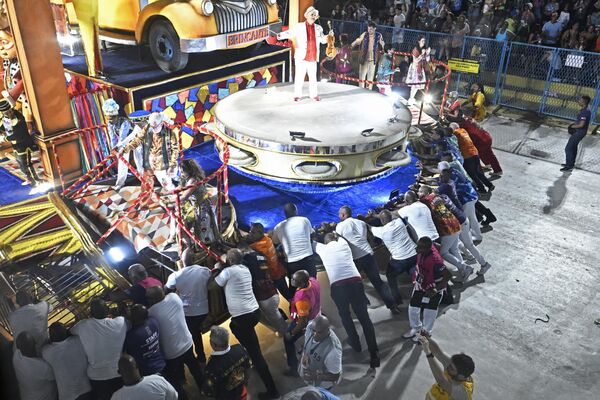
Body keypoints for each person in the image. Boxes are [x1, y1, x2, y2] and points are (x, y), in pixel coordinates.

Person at [213, 248, 279, 400]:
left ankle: (273, 391)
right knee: (236, 329)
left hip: (243, 317)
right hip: (252, 312)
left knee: (257, 355)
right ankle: (250, 356)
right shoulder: (244, 268)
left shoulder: (228, 272)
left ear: (229, 261)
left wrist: (217, 269)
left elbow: (214, 285)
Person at [314, 233, 380, 370]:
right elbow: (339, 236)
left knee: (345, 315)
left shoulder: (322, 249)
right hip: (355, 282)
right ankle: (374, 353)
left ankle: (355, 343)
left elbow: (310, 242)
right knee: (364, 318)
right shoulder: (344, 245)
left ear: (326, 242)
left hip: (338, 286)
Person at [336, 205, 400, 314]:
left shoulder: (339, 227)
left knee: (356, 284)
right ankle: (392, 306)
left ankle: (364, 307)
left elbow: (341, 244)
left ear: (343, 215)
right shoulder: (361, 223)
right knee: (378, 282)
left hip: (355, 259)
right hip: (368, 255)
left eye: (339, 214)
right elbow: (368, 237)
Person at [146, 286, 203, 400]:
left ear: (151, 300)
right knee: (196, 369)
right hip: (187, 343)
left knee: (175, 378)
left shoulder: (151, 312)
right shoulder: (174, 297)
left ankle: (184, 392)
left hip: (170, 353)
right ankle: (205, 390)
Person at [70, 298, 126, 400]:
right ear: (108, 310)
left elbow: (71, 331)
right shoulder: (120, 322)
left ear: (90, 313)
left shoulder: (83, 326)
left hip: (97, 377)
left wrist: (81, 319)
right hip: (119, 372)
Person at [164, 247, 211, 364]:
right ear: (195, 258)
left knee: (191, 334)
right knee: (195, 332)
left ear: (181, 260)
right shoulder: (204, 271)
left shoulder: (175, 276)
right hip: (204, 311)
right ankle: (201, 356)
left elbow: (165, 291)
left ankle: (198, 358)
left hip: (188, 313)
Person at [277, 6, 331, 101]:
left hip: (313, 57)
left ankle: (314, 95)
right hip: (301, 56)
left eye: (315, 15)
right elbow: (290, 33)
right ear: (307, 15)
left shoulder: (318, 28)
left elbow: (322, 40)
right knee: (299, 76)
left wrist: (329, 37)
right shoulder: (299, 26)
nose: (313, 16)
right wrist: (280, 35)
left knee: (313, 77)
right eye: (312, 14)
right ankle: (297, 95)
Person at [402, 237, 450, 341]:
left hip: (435, 286)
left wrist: (435, 290)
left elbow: (447, 275)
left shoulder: (436, 261)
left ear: (428, 248)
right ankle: (416, 328)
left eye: (420, 247)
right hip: (421, 283)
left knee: (430, 310)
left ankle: (425, 333)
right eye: (418, 246)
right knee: (413, 306)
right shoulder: (422, 252)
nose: (417, 249)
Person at [122, 111, 180, 192]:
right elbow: (137, 139)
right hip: (149, 162)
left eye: (155, 127)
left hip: (162, 164)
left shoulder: (169, 133)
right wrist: (126, 149)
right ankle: (145, 201)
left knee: (167, 185)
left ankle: (176, 198)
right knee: (146, 186)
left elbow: (175, 149)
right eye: (152, 126)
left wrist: (172, 164)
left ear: (161, 123)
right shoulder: (147, 128)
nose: (153, 129)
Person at [368, 209, 418, 304]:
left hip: (400, 260)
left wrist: (364, 219)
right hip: (414, 254)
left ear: (382, 221)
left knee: (390, 276)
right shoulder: (399, 222)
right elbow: (392, 215)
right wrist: (376, 215)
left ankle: (397, 299)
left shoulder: (382, 231)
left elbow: (369, 228)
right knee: (412, 269)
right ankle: (419, 286)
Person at [238, 241, 287, 336]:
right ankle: (283, 331)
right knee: (274, 314)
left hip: (262, 295)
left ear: (243, 251)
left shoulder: (246, 259)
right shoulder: (260, 254)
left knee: (272, 317)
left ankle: (288, 335)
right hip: (272, 290)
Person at [284, 270, 321, 376]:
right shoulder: (313, 281)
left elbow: (302, 322)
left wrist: (292, 333)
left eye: (295, 280)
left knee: (287, 340)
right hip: (316, 315)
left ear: (302, 283)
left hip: (307, 322)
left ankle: (293, 368)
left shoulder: (302, 298)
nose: (292, 280)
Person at [42, 322, 93, 400]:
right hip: (87, 389)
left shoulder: (47, 351)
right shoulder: (78, 340)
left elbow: (46, 343)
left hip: (67, 396)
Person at [0, 99, 41, 193]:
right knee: (21, 164)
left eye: (9, 111)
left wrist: (4, 139)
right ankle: (29, 179)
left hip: (24, 144)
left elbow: (16, 135)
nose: (9, 113)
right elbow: (3, 126)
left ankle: (36, 183)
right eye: (6, 112)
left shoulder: (18, 118)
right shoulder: (6, 118)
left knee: (26, 165)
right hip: (16, 146)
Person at [176, 158, 221, 246]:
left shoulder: (194, 180)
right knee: (195, 227)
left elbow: (185, 196)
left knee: (204, 228)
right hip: (194, 205)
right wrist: (164, 193)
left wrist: (171, 200)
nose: (181, 174)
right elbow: (179, 188)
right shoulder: (186, 179)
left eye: (182, 171)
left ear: (188, 171)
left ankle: (207, 247)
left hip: (202, 206)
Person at [418, 333, 475, 400]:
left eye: (452, 368)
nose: (448, 367)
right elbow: (438, 352)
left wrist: (428, 353)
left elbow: (442, 381)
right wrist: (427, 338)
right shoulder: (455, 367)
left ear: (461, 376)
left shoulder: (463, 393)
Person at [201, 326, 251, 400]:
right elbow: (248, 369)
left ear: (213, 344)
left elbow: (210, 391)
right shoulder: (240, 349)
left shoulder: (211, 367)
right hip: (241, 391)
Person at [272, 203, 317, 280]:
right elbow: (312, 234)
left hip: (291, 262)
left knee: (295, 287)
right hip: (307, 258)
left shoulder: (278, 227)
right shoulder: (304, 220)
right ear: (296, 211)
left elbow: (275, 242)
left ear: (285, 214)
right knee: (312, 283)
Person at [247, 222, 290, 299]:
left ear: (260, 233)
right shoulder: (268, 239)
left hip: (273, 276)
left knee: (272, 297)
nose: (250, 234)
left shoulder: (258, 246)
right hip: (279, 271)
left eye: (253, 232)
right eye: (250, 231)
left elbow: (246, 249)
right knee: (287, 294)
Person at [101, 99, 137, 191]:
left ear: (116, 116)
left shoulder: (125, 122)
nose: (111, 121)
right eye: (109, 118)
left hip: (136, 141)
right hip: (123, 144)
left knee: (139, 160)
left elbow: (122, 138)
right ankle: (120, 183)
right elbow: (113, 137)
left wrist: (117, 148)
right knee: (122, 162)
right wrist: (113, 148)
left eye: (112, 118)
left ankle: (144, 180)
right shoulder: (110, 124)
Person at [298, 315, 343, 388]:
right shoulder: (311, 327)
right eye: (314, 331)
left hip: (321, 384)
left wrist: (316, 376)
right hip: (307, 373)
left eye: (319, 332)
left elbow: (335, 376)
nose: (314, 335)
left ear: (328, 330)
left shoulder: (333, 351)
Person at [450, 123, 494, 194]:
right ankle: (489, 185)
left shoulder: (456, 133)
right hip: (475, 153)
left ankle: (482, 190)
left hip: (467, 156)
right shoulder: (463, 130)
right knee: (477, 172)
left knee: (472, 174)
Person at [111, 354, 177, 400]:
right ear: (137, 366)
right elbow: (174, 397)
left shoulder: (117, 397)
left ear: (119, 373)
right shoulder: (158, 381)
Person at [123, 304, 165, 376]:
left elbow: (125, 352)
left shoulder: (132, 336)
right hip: (161, 364)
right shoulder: (153, 321)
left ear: (132, 318)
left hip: (147, 371)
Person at [13, 331, 57, 400]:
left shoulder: (16, 357)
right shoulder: (42, 368)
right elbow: (56, 375)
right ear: (34, 347)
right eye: (34, 343)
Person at [351, 21, 385, 89]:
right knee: (362, 77)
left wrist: (384, 50)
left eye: (371, 29)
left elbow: (382, 43)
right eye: (368, 29)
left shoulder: (379, 35)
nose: (369, 30)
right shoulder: (365, 34)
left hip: (372, 60)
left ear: (375, 28)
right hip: (364, 58)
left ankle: (369, 91)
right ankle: (360, 90)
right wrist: (353, 44)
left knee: (370, 78)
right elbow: (359, 40)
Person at [562, 95, 591, 171]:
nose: (579, 101)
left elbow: (581, 124)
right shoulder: (584, 109)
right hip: (579, 132)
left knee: (568, 149)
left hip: (579, 132)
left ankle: (568, 166)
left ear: (584, 102)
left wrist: (572, 127)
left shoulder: (585, 111)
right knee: (573, 148)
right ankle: (570, 164)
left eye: (580, 100)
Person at [406, 35, 431, 105]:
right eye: (422, 41)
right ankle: (410, 99)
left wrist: (428, 54)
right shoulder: (415, 49)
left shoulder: (424, 49)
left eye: (424, 41)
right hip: (415, 68)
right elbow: (415, 60)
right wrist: (422, 54)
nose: (423, 42)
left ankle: (411, 98)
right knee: (414, 85)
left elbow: (427, 60)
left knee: (417, 86)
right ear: (419, 41)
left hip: (420, 69)